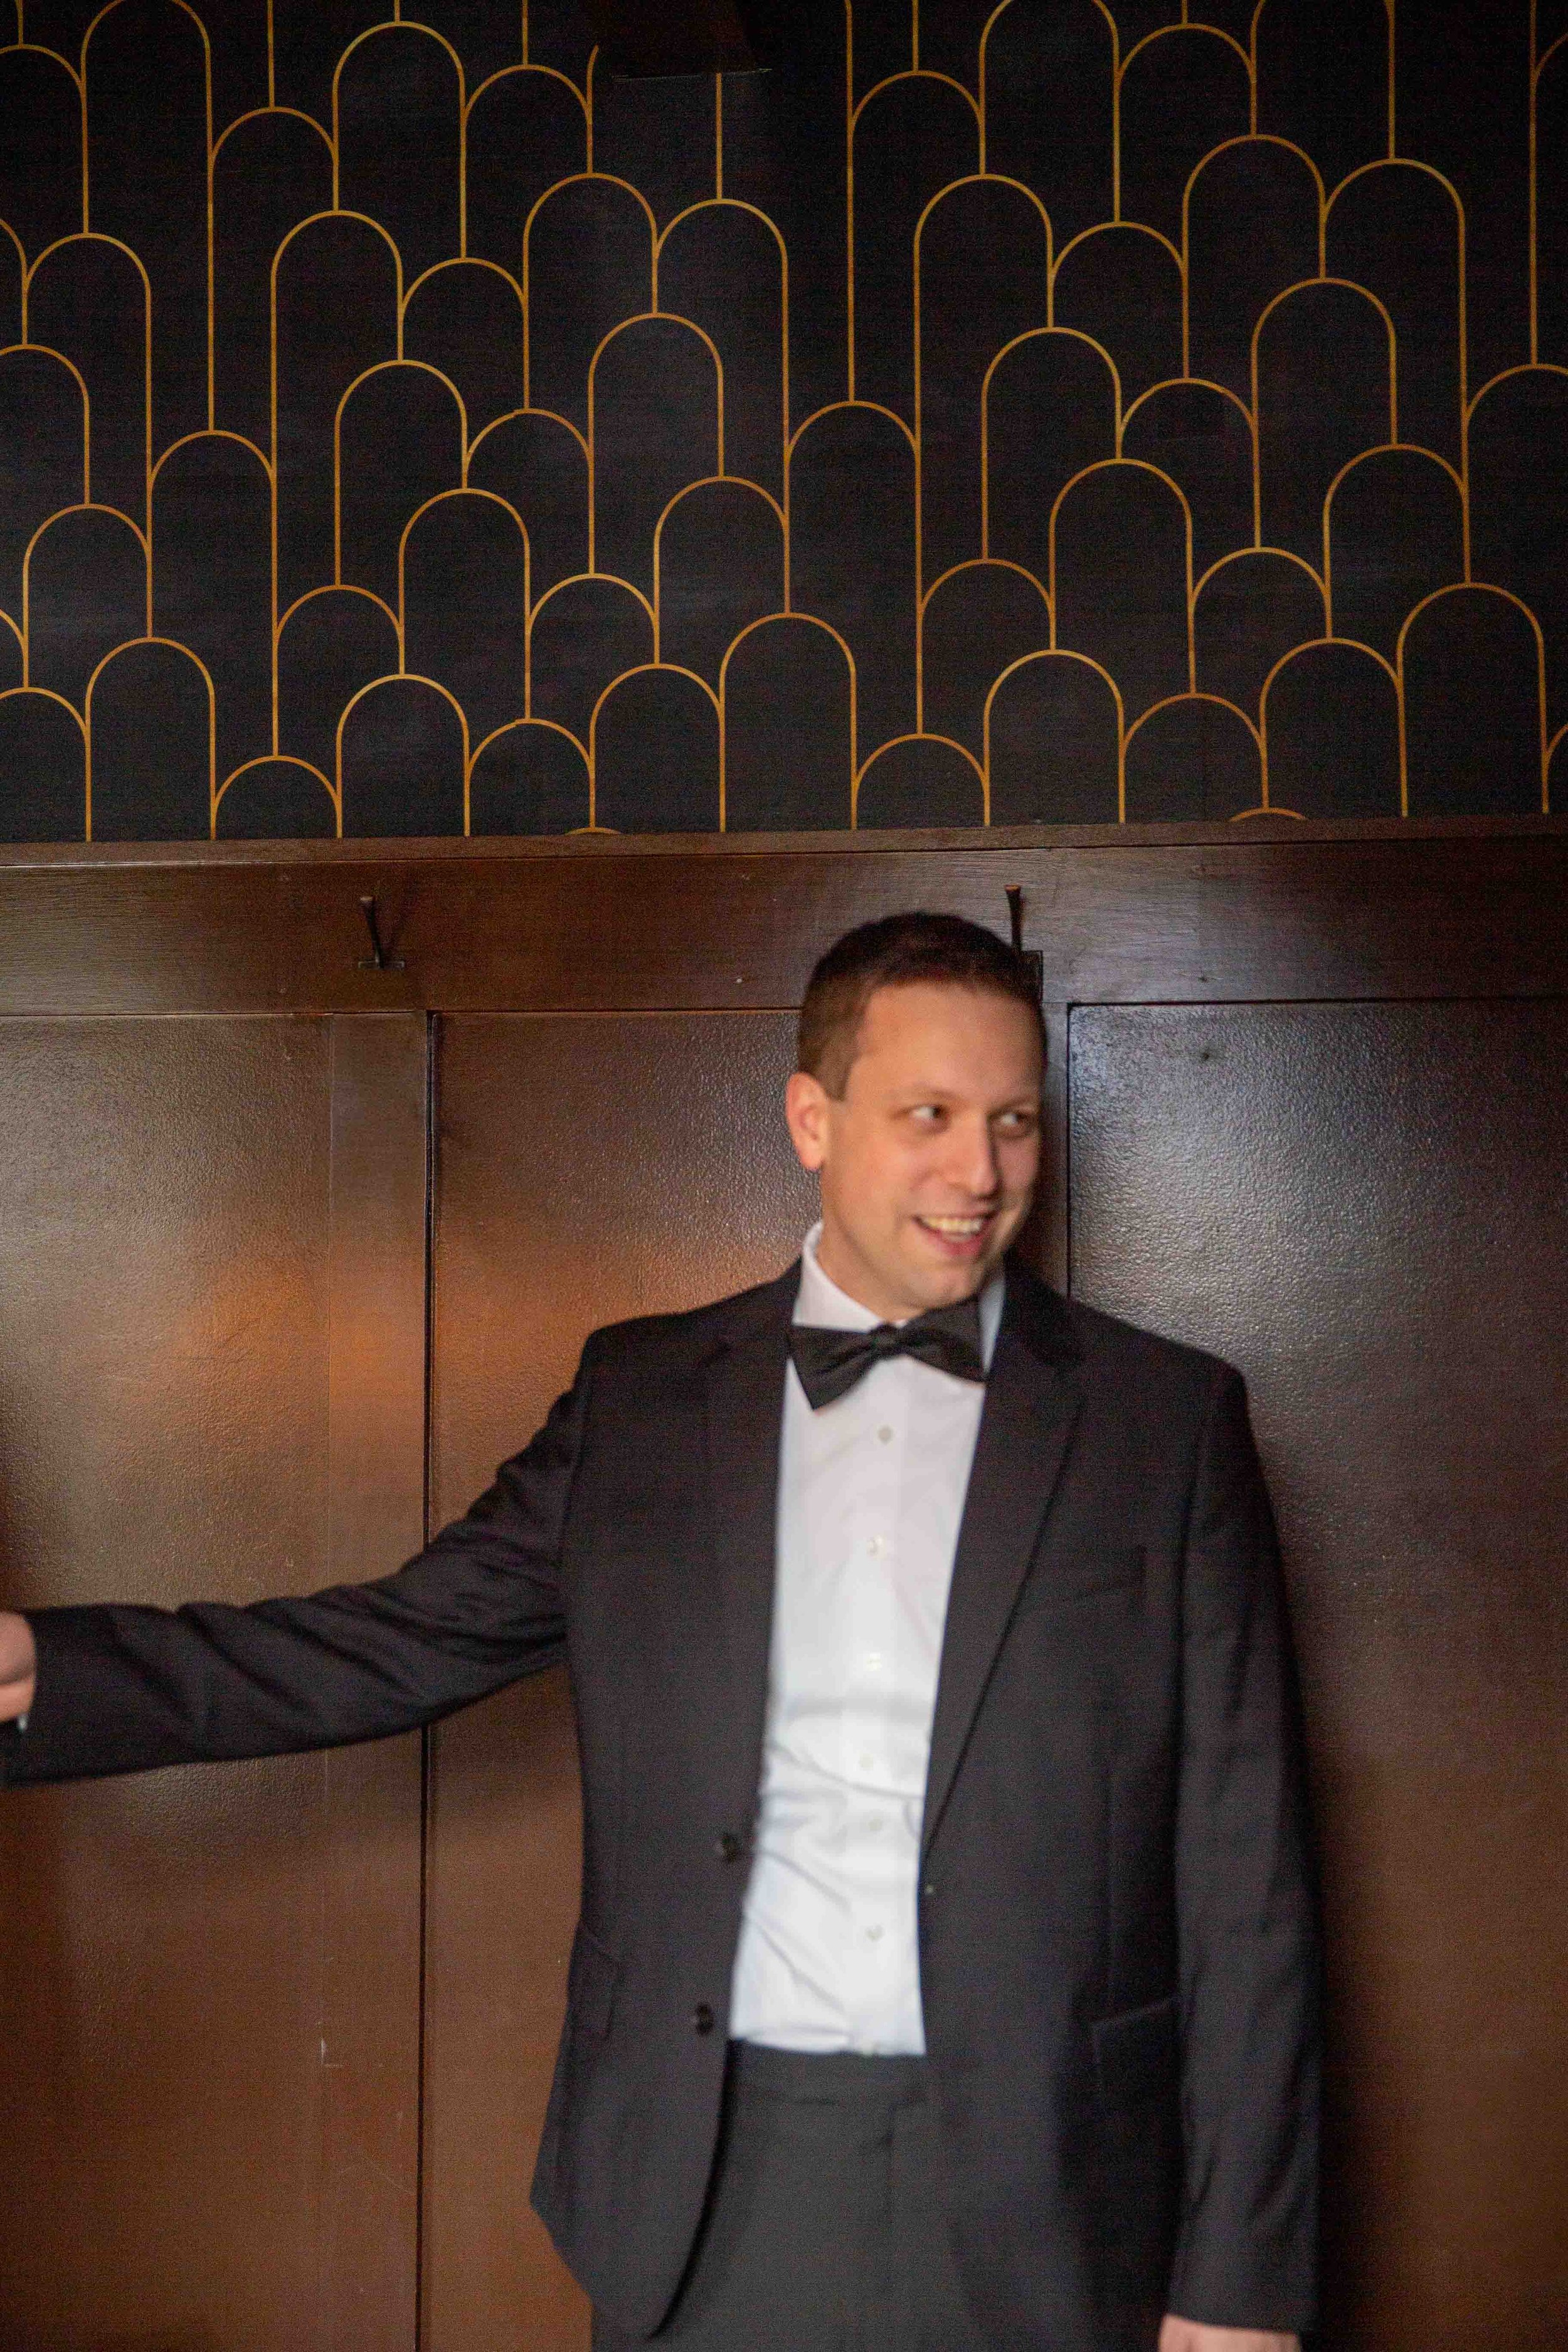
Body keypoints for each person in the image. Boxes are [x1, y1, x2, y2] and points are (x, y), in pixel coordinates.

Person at [0, 911, 1318, 2352]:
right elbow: (394, 1638)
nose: (979, 1172)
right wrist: (49, 1675)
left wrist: (1239, 2274)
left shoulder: (1166, 1422)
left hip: (1056, 2181)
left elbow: (1244, 1869)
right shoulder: (637, 1400)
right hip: (700, 2175)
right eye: (926, 1116)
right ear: (809, 1120)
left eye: (1012, 1121)